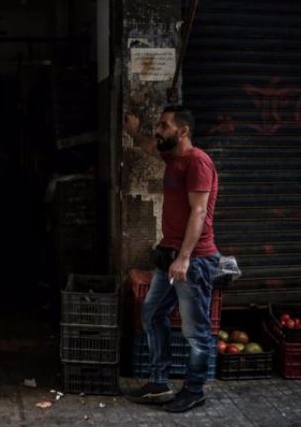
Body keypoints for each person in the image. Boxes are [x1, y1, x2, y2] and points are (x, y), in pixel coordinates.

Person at [123, 106, 220, 413]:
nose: (158, 130)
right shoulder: (173, 157)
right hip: (169, 256)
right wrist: (134, 131)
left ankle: (193, 390)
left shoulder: (197, 162)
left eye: (164, 125)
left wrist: (185, 257)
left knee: (195, 331)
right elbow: (151, 146)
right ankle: (159, 381)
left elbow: (200, 211)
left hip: (193, 259)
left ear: (183, 131)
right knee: (151, 313)